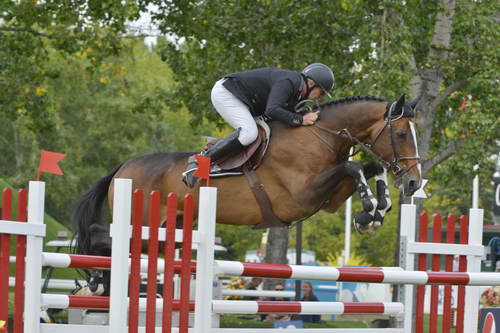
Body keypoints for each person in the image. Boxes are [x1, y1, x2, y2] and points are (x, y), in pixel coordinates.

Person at [182, 63, 335, 187]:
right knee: (249, 133)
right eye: (321, 93)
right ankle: (199, 162)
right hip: (226, 94)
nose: (319, 98)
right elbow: (273, 109)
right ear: (311, 83)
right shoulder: (289, 82)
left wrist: (302, 116)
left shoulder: (297, 91)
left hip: (245, 100)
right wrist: (301, 120)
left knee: (258, 131)